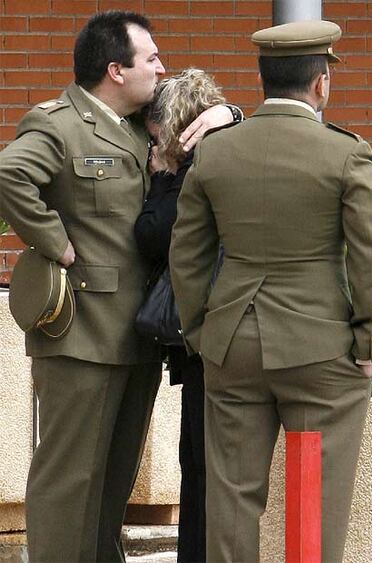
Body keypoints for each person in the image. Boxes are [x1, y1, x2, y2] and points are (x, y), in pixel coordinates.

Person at [0, 10, 240, 563]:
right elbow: (11, 175)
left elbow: (209, 115)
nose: (161, 66)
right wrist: (54, 242)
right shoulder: (57, 125)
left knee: (113, 478)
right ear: (115, 69)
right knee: (69, 478)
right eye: (151, 57)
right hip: (81, 332)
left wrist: (229, 111)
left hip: (138, 334)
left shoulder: (140, 123)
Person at [169, 20, 372, 563]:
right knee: (311, 494)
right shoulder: (345, 153)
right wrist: (368, 343)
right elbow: (371, 259)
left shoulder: (216, 152)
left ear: (262, 76)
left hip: (234, 346)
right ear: (322, 83)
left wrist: (202, 330)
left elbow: (187, 253)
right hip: (318, 352)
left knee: (233, 498)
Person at [134, 68, 227, 563]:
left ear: (173, 128)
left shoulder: (188, 173)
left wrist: (159, 179)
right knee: (202, 464)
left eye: (156, 137)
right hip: (220, 333)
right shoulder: (230, 145)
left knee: (201, 465)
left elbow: (153, 236)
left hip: (203, 339)